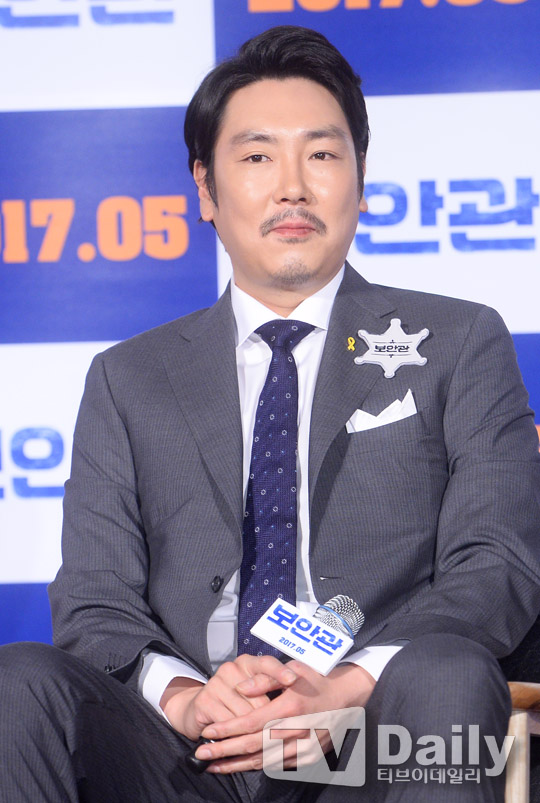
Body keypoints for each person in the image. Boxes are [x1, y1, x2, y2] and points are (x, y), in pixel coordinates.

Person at [1, 24, 539, 803]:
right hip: (189, 751)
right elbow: (94, 602)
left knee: (448, 670)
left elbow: (497, 563)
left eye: (321, 155)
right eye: (257, 158)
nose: (292, 187)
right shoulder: (127, 378)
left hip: (374, 732)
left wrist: (346, 683)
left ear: (360, 179)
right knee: (18, 681)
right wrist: (188, 698)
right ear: (205, 189)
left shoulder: (460, 341)